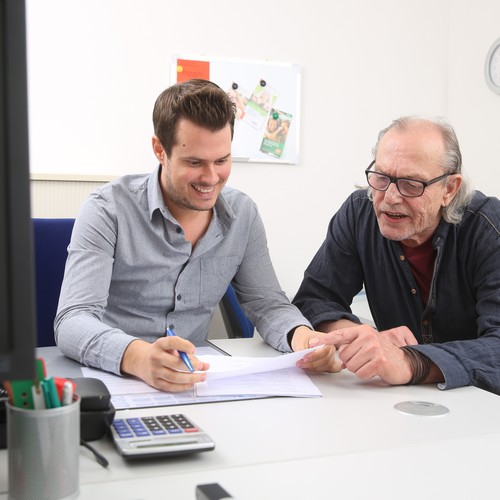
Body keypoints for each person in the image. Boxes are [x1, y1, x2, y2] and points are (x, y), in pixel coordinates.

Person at [55, 79, 335, 392]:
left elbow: (268, 305)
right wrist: (138, 357)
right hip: (116, 379)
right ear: (160, 150)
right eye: (194, 162)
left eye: (222, 160)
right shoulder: (108, 209)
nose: (211, 178)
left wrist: (304, 338)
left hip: (195, 383)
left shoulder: (243, 214)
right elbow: (72, 319)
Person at [292, 116, 500, 394]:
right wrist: (360, 336)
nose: (389, 197)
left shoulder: (488, 229)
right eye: (381, 177)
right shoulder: (359, 214)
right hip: (402, 403)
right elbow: (314, 299)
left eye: (411, 184)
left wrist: (411, 362)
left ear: (449, 189)